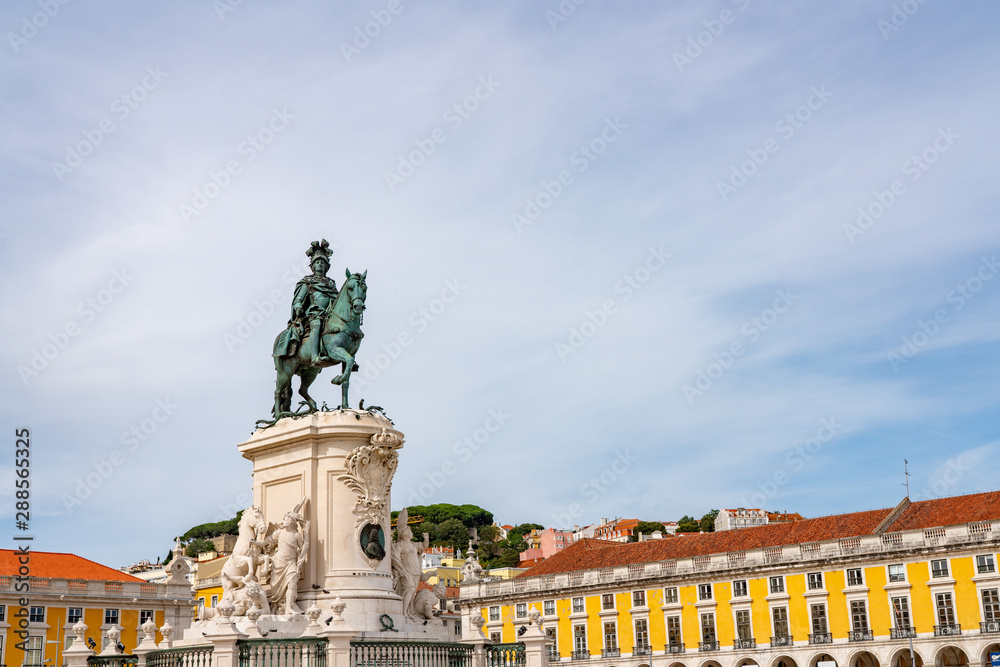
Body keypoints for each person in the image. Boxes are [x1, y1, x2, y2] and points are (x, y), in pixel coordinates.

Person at [274, 239, 338, 365]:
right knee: (317, 325)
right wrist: (297, 306)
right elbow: (299, 299)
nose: (320, 265)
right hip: (314, 314)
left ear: (326, 266)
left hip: (330, 314)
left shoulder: (331, 283)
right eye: (317, 262)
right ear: (313, 266)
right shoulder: (307, 281)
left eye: (322, 263)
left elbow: (337, 298)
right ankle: (314, 356)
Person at [267, 500, 309, 615]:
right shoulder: (280, 533)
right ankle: (280, 604)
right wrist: (255, 544)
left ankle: (289, 607)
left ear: (291, 522)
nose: (282, 521)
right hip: (278, 563)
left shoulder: (296, 535)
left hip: (290, 563)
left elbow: (302, 548)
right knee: (274, 586)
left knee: (292, 583)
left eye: (285, 519)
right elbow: (268, 542)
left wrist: (300, 559)